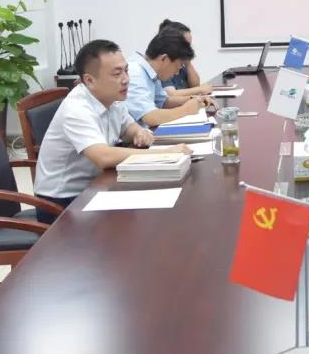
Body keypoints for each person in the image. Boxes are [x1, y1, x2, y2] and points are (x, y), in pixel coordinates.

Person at [33, 40, 192, 220]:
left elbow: (129, 128)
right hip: (61, 202)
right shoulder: (76, 108)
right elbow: (103, 157)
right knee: (141, 220)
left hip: (96, 185)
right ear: (89, 80)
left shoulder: (113, 98)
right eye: (117, 74)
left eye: (126, 71)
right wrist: (165, 154)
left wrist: (139, 133)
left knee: (156, 210)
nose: (126, 79)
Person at [127, 30, 214, 127]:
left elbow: (163, 102)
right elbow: (150, 117)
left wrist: (193, 99)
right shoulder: (135, 73)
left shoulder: (152, 70)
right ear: (164, 59)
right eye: (179, 65)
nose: (177, 72)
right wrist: (186, 110)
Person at [156, 19, 214, 98]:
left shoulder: (180, 63)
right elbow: (171, 94)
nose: (189, 48)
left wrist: (188, 63)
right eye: (186, 45)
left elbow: (195, 85)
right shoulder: (164, 63)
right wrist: (200, 89)